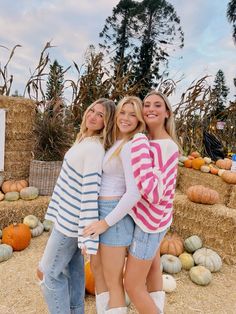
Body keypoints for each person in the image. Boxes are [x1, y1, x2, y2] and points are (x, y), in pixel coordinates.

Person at [84, 91, 180, 314]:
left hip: (150, 223)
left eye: (157, 105)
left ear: (167, 112)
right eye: (147, 105)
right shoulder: (147, 141)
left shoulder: (159, 145)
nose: (150, 109)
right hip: (142, 217)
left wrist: (145, 162)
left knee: (132, 286)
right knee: (153, 267)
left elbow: (152, 192)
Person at [36, 98, 116, 314]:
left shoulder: (94, 149)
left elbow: (90, 193)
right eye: (92, 110)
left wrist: (85, 236)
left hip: (70, 225)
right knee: (74, 276)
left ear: (106, 123)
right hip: (67, 220)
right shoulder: (84, 141)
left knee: (50, 274)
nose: (93, 116)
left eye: (101, 115)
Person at [86, 96, 145, 314]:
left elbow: (134, 192)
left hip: (114, 216)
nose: (126, 118)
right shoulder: (116, 143)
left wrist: (105, 222)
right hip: (101, 211)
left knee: (113, 281)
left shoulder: (131, 146)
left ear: (139, 120)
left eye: (133, 114)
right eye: (123, 112)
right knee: (97, 270)